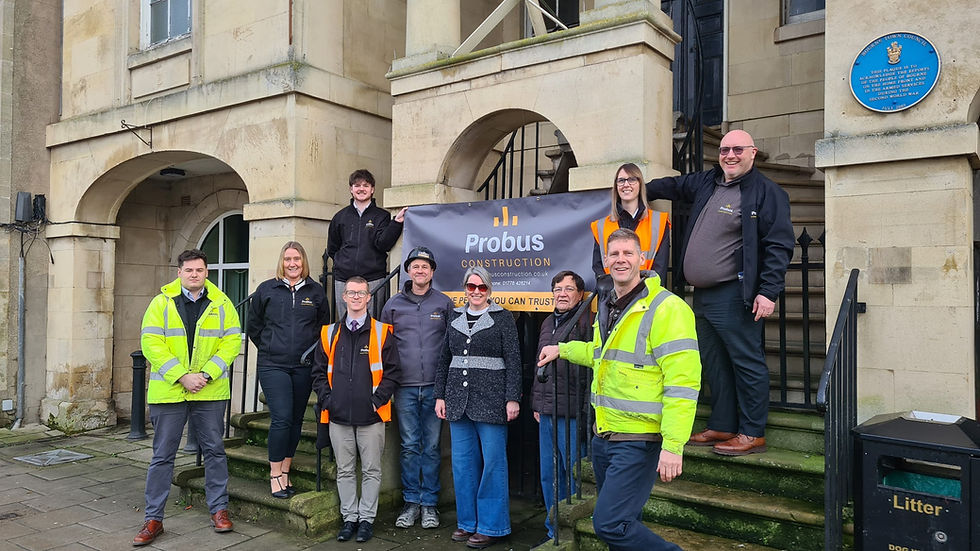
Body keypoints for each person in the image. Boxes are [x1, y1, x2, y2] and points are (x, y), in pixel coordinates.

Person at [538, 229, 701, 550]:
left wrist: (673, 444)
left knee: (609, 524)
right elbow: (602, 356)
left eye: (628, 253)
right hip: (605, 435)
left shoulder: (668, 308)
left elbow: (683, 382)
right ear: (606, 263)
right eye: (614, 254)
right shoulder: (608, 305)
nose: (621, 259)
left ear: (643, 259)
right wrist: (563, 350)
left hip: (639, 439)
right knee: (626, 522)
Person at [646, 129, 794, 456]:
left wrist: (768, 292)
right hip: (702, 294)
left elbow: (779, 246)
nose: (729, 155)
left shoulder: (766, 193)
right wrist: (634, 189)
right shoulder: (709, 181)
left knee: (746, 362)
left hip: (735, 293)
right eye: (725, 149)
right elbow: (673, 186)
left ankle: (752, 432)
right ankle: (724, 423)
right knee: (713, 362)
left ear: (752, 153)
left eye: (737, 149)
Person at [134, 249, 241, 546]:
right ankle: (153, 519)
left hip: (210, 390)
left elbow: (232, 341)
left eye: (199, 270)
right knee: (162, 457)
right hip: (169, 391)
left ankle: (219, 510)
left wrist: (205, 374)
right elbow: (151, 343)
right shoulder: (161, 303)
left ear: (207, 272)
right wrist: (182, 375)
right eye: (189, 270)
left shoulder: (222, 304)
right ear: (179, 272)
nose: (194, 274)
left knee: (215, 451)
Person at [435, 267, 521, 549]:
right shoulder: (455, 316)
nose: (475, 292)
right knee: (463, 466)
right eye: (471, 286)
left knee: (493, 464)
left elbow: (514, 360)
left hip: (492, 401)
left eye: (481, 287)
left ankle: (492, 526)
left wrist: (512, 398)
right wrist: (440, 396)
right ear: (464, 288)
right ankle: (467, 522)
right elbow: (444, 358)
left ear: (489, 290)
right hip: (458, 403)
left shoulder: (503, 317)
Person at [312, 276, 401, 544]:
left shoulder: (382, 332)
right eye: (351, 293)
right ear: (344, 296)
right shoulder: (328, 333)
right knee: (345, 470)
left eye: (361, 293)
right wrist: (328, 400)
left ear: (368, 297)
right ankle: (349, 518)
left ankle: (366, 520)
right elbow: (317, 373)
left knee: (372, 470)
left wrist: (377, 401)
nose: (355, 297)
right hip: (338, 415)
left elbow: (393, 373)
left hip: (371, 416)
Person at [247, 242, 329, 498]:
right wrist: (271, 348)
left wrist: (310, 355)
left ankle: (285, 471)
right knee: (281, 418)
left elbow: (322, 328)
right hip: (273, 366)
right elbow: (253, 326)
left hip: (303, 367)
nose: (292, 263)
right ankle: (274, 475)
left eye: (297, 259)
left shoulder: (316, 292)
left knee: (295, 420)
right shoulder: (266, 289)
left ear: (304, 261)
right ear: (281, 262)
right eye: (287, 259)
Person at [380, 246, 454, 530]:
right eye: (415, 266)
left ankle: (429, 504)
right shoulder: (393, 305)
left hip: (436, 389)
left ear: (432, 271)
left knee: (432, 447)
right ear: (408, 271)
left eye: (425, 266)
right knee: (410, 446)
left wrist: (445, 387)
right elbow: (384, 347)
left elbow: (452, 346)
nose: (420, 271)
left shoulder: (444, 304)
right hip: (405, 388)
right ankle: (411, 503)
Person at [532, 270, 592, 541]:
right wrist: (536, 402)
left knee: (574, 475)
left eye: (569, 289)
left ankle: (573, 531)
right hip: (546, 410)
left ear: (580, 294)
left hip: (571, 412)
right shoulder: (547, 322)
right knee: (549, 476)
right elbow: (539, 364)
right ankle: (553, 530)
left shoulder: (587, 323)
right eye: (558, 289)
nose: (563, 294)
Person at [325, 168, 407, 317]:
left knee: (371, 324)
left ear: (372, 189)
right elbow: (332, 247)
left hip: (373, 279)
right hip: (344, 279)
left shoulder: (381, 216)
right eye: (357, 185)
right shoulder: (340, 217)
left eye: (365, 185)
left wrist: (396, 222)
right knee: (345, 322)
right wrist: (342, 263)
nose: (361, 189)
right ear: (351, 189)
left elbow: (383, 245)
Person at [591, 162, 670, 282]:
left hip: (647, 295)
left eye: (632, 179)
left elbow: (660, 268)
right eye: (621, 180)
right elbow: (599, 270)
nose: (626, 184)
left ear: (640, 185)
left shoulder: (659, 222)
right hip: (613, 296)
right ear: (616, 186)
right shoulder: (601, 226)